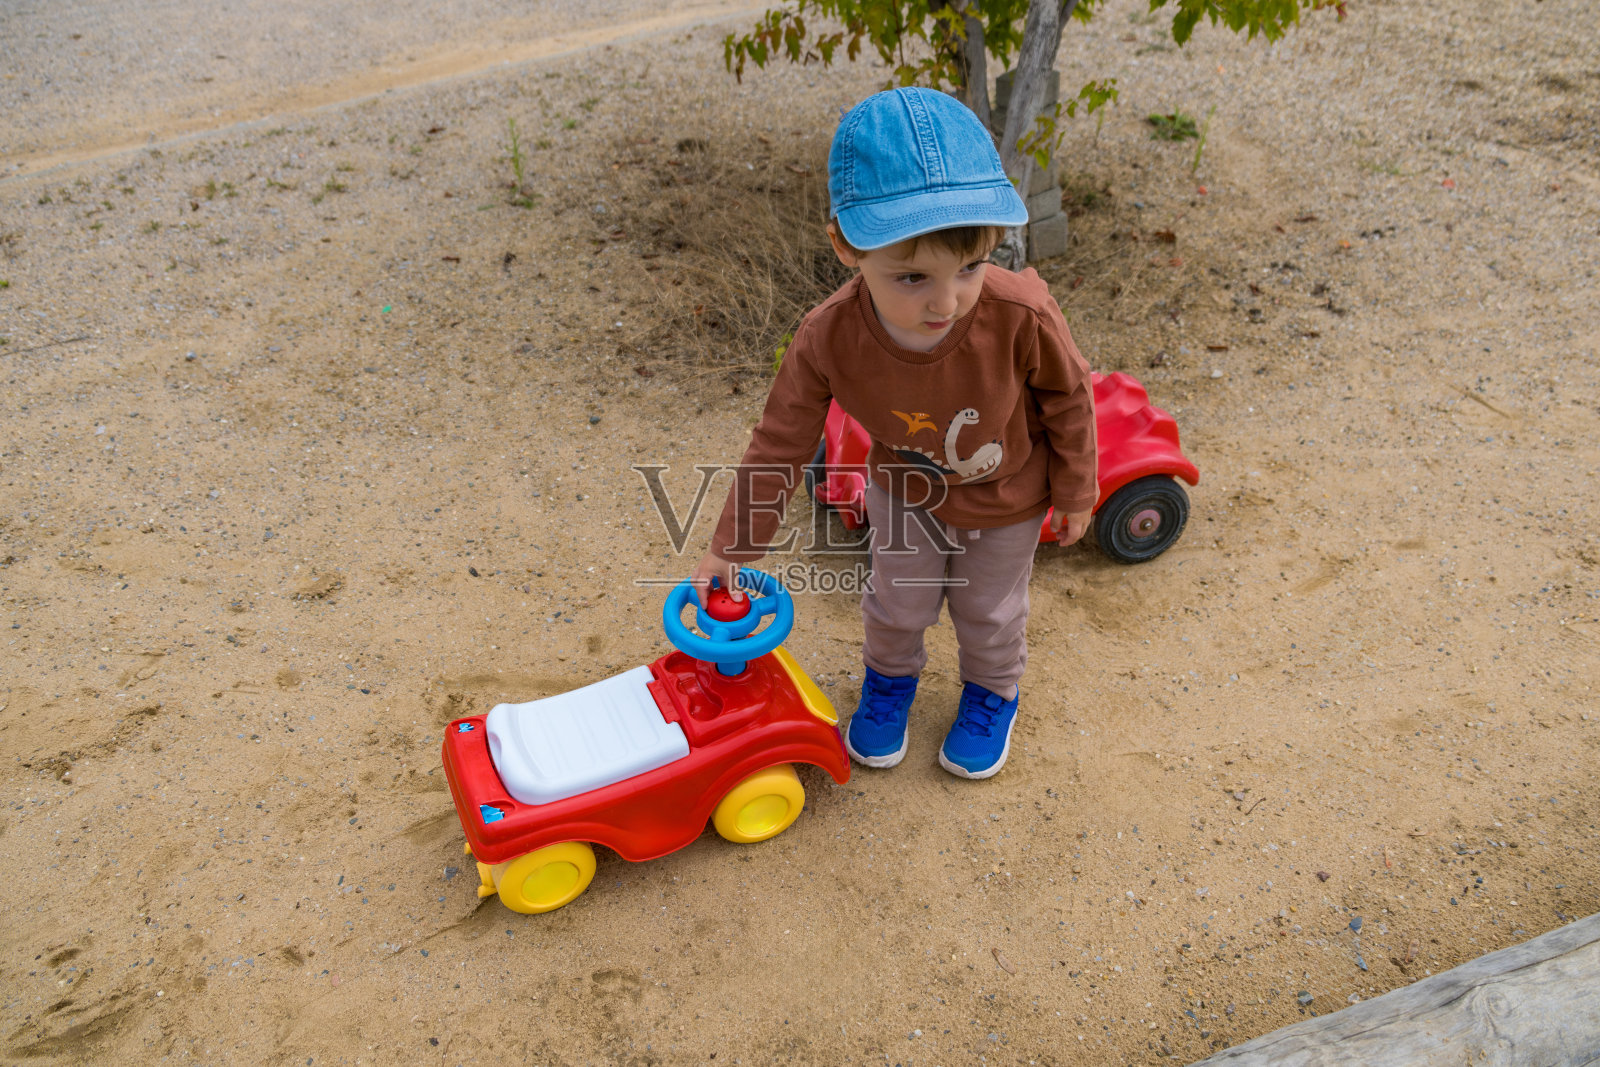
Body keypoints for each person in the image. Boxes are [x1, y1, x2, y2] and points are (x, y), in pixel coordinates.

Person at [692, 86, 1097, 780]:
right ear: (849, 246)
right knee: (895, 601)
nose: (946, 302)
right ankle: (889, 681)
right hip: (904, 493)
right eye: (912, 276)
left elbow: (1070, 394)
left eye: (968, 267)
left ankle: (992, 691)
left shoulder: (1020, 313)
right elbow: (782, 438)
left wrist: (1078, 487)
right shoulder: (830, 337)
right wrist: (733, 546)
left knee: (990, 609)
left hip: (1007, 499)